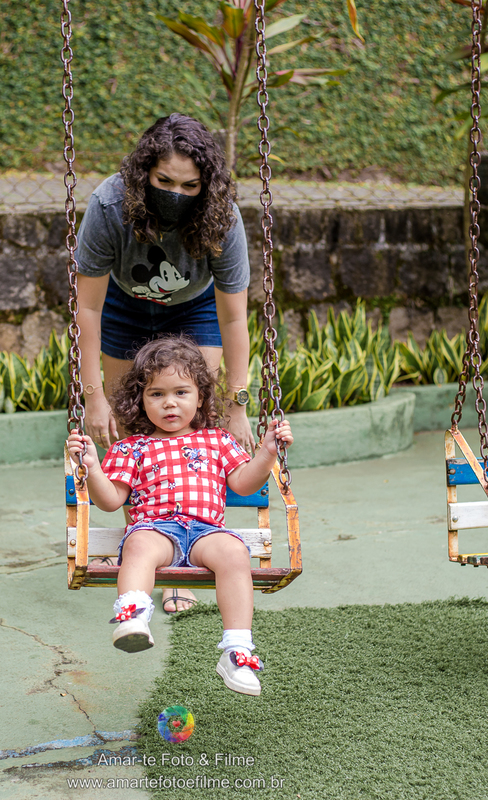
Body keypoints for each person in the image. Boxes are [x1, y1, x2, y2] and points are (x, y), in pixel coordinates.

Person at [74, 113, 255, 615]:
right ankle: (149, 551)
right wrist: (93, 399)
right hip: (124, 307)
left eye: (190, 185)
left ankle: (188, 563)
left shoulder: (222, 216)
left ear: (207, 185)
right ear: (143, 175)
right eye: (164, 182)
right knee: (130, 426)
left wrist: (238, 403)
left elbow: (234, 316)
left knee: (194, 416)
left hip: (196, 308)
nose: (177, 192)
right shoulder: (110, 206)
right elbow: (86, 306)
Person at [66, 336, 294, 697]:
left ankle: (237, 650)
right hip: (157, 530)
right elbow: (110, 501)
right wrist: (92, 467)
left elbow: (245, 483)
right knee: (138, 543)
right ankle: (133, 615)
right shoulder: (131, 448)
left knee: (235, 552)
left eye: (181, 392)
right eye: (156, 394)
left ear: (200, 397)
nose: (169, 402)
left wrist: (266, 453)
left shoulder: (218, 441)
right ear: (140, 400)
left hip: (206, 532)